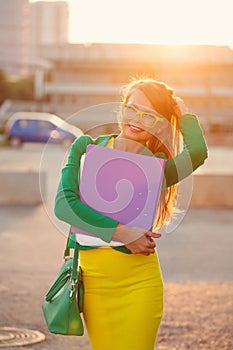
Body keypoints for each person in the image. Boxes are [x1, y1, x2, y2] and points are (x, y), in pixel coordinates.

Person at [54, 78, 208, 350]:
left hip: (140, 284)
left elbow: (197, 152)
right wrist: (125, 234)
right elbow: (65, 205)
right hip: (95, 284)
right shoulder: (85, 148)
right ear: (121, 108)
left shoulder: (156, 170)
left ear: (160, 124)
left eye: (149, 116)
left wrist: (183, 114)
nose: (136, 120)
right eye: (132, 109)